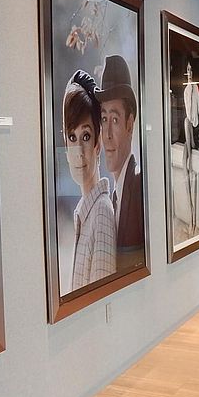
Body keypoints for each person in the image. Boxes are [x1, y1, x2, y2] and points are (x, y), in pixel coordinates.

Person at [62, 70, 116, 291]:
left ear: (97, 144)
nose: (79, 152)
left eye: (85, 136)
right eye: (72, 137)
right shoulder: (84, 210)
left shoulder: (101, 213)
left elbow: (101, 297)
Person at [96, 54, 144, 271]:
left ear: (130, 125)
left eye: (114, 120)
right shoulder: (115, 195)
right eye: (104, 119)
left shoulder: (138, 186)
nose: (106, 135)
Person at [182, 62, 199, 235]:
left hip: (194, 129)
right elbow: (188, 116)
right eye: (187, 70)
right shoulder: (185, 90)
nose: (189, 72)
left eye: (191, 69)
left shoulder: (195, 89)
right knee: (185, 167)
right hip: (187, 127)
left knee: (190, 168)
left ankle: (193, 221)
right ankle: (191, 220)